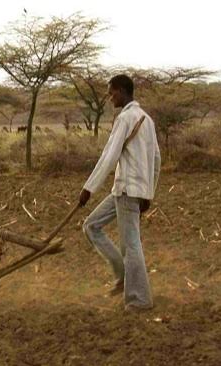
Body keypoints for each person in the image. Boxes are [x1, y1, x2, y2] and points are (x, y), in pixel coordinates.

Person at [78, 74, 161, 311]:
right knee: (91, 226)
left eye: (112, 92)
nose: (109, 97)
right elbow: (157, 159)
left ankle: (139, 300)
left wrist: (88, 189)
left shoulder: (126, 118)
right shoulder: (147, 119)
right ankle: (122, 273)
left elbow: (109, 156)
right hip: (127, 190)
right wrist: (149, 192)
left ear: (123, 91)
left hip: (126, 190)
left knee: (131, 245)